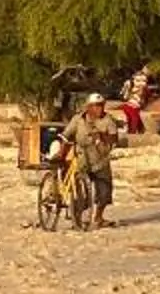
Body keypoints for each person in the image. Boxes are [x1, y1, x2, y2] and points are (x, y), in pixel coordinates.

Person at [44, 92, 122, 226]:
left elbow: (114, 138)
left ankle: (98, 217)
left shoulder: (108, 120)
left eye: (101, 106)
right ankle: (77, 217)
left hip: (100, 159)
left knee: (104, 191)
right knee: (80, 190)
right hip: (82, 157)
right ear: (88, 107)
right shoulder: (78, 119)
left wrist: (102, 136)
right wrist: (61, 151)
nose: (99, 109)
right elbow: (66, 135)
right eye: (96, 106)